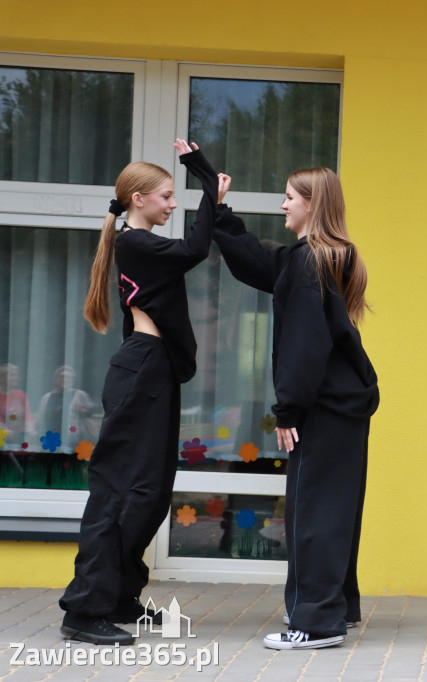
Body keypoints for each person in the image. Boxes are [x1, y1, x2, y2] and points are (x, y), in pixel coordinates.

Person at [59, 140, 223, 646]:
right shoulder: (136, 242)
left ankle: (121, 595)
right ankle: (85, 611)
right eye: (167, 197)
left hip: (153, 372)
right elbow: (196, 248)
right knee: (119, 491)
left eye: (176, 197)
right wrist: (206, 182)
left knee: (149, 493)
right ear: (137, 199)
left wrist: (201, 178)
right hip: (143, 372)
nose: (172, 205)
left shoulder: (140, 243)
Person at [214, 167, 379, 650]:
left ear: (312, 203)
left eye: (289, 197)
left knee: (314, 512)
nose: (282, 205)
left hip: (324, 408)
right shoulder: (315, 258)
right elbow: (256, 264)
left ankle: (316, 623)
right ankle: (337, 608)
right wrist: (220, 212)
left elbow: (305, 344)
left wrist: (287, 410)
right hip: (342, 406)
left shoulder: (312, 262)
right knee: (334, 509)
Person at [38, 365, 96, 448]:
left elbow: (90, 413)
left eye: (69, 377)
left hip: (74, 442)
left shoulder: (79, 394)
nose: (65, 379)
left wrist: (81, 409)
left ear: (72, 380)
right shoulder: (47, 397)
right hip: (51, 440)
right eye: (62, 377)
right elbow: (41, 420)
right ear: (56, 379)